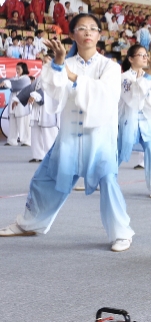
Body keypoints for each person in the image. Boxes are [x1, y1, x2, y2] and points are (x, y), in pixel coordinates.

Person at [0, 13, 135, 252]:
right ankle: (31, 223)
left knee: (108, 183)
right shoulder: (63, 64)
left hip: (99, 137)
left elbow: (107, 95)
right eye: (81, 28)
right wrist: (60, 62)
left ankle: (121, 233)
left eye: (93, 28)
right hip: (70, 135)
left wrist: (72, 77)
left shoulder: (110, 67)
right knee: (45, 179)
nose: (87, 33)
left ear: (99, 35)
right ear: (72, 34)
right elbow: (51, 89)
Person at [117, 45, 151, 198]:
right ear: (131, 58)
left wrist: (148, 80)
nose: (145, 58)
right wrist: (148, 77)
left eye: (146, 55)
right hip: (128, 121)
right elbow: (132, 97)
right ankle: (104, 178)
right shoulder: (124, 78)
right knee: (116, 152)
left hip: (146, 121)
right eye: (141, 55)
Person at [27, 54, 60, 163]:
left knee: (48, 133)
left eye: (46, 62)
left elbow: (49, 91)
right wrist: (26, 97)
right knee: (35, 132)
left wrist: (35, 95)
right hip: (37, 108)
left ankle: (51, 156)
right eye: (43, 62)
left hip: (48, 107)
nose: (44, 64)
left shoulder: (56, 75)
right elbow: (30, 89)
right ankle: (38, 155)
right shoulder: (40, 77)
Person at [1, 63, 32, 146]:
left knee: (23, 122)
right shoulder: (15, 78)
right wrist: (5, 82)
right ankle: (12, 140)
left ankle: (26, 140)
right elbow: (9, 82)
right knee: (12, 121)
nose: (17, 70)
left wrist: (6, 82)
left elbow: (17, 85)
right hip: (13, 100)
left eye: (19, 69)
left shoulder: (26, 79)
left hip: (22, 101)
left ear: (23, 69)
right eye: (16, 68)